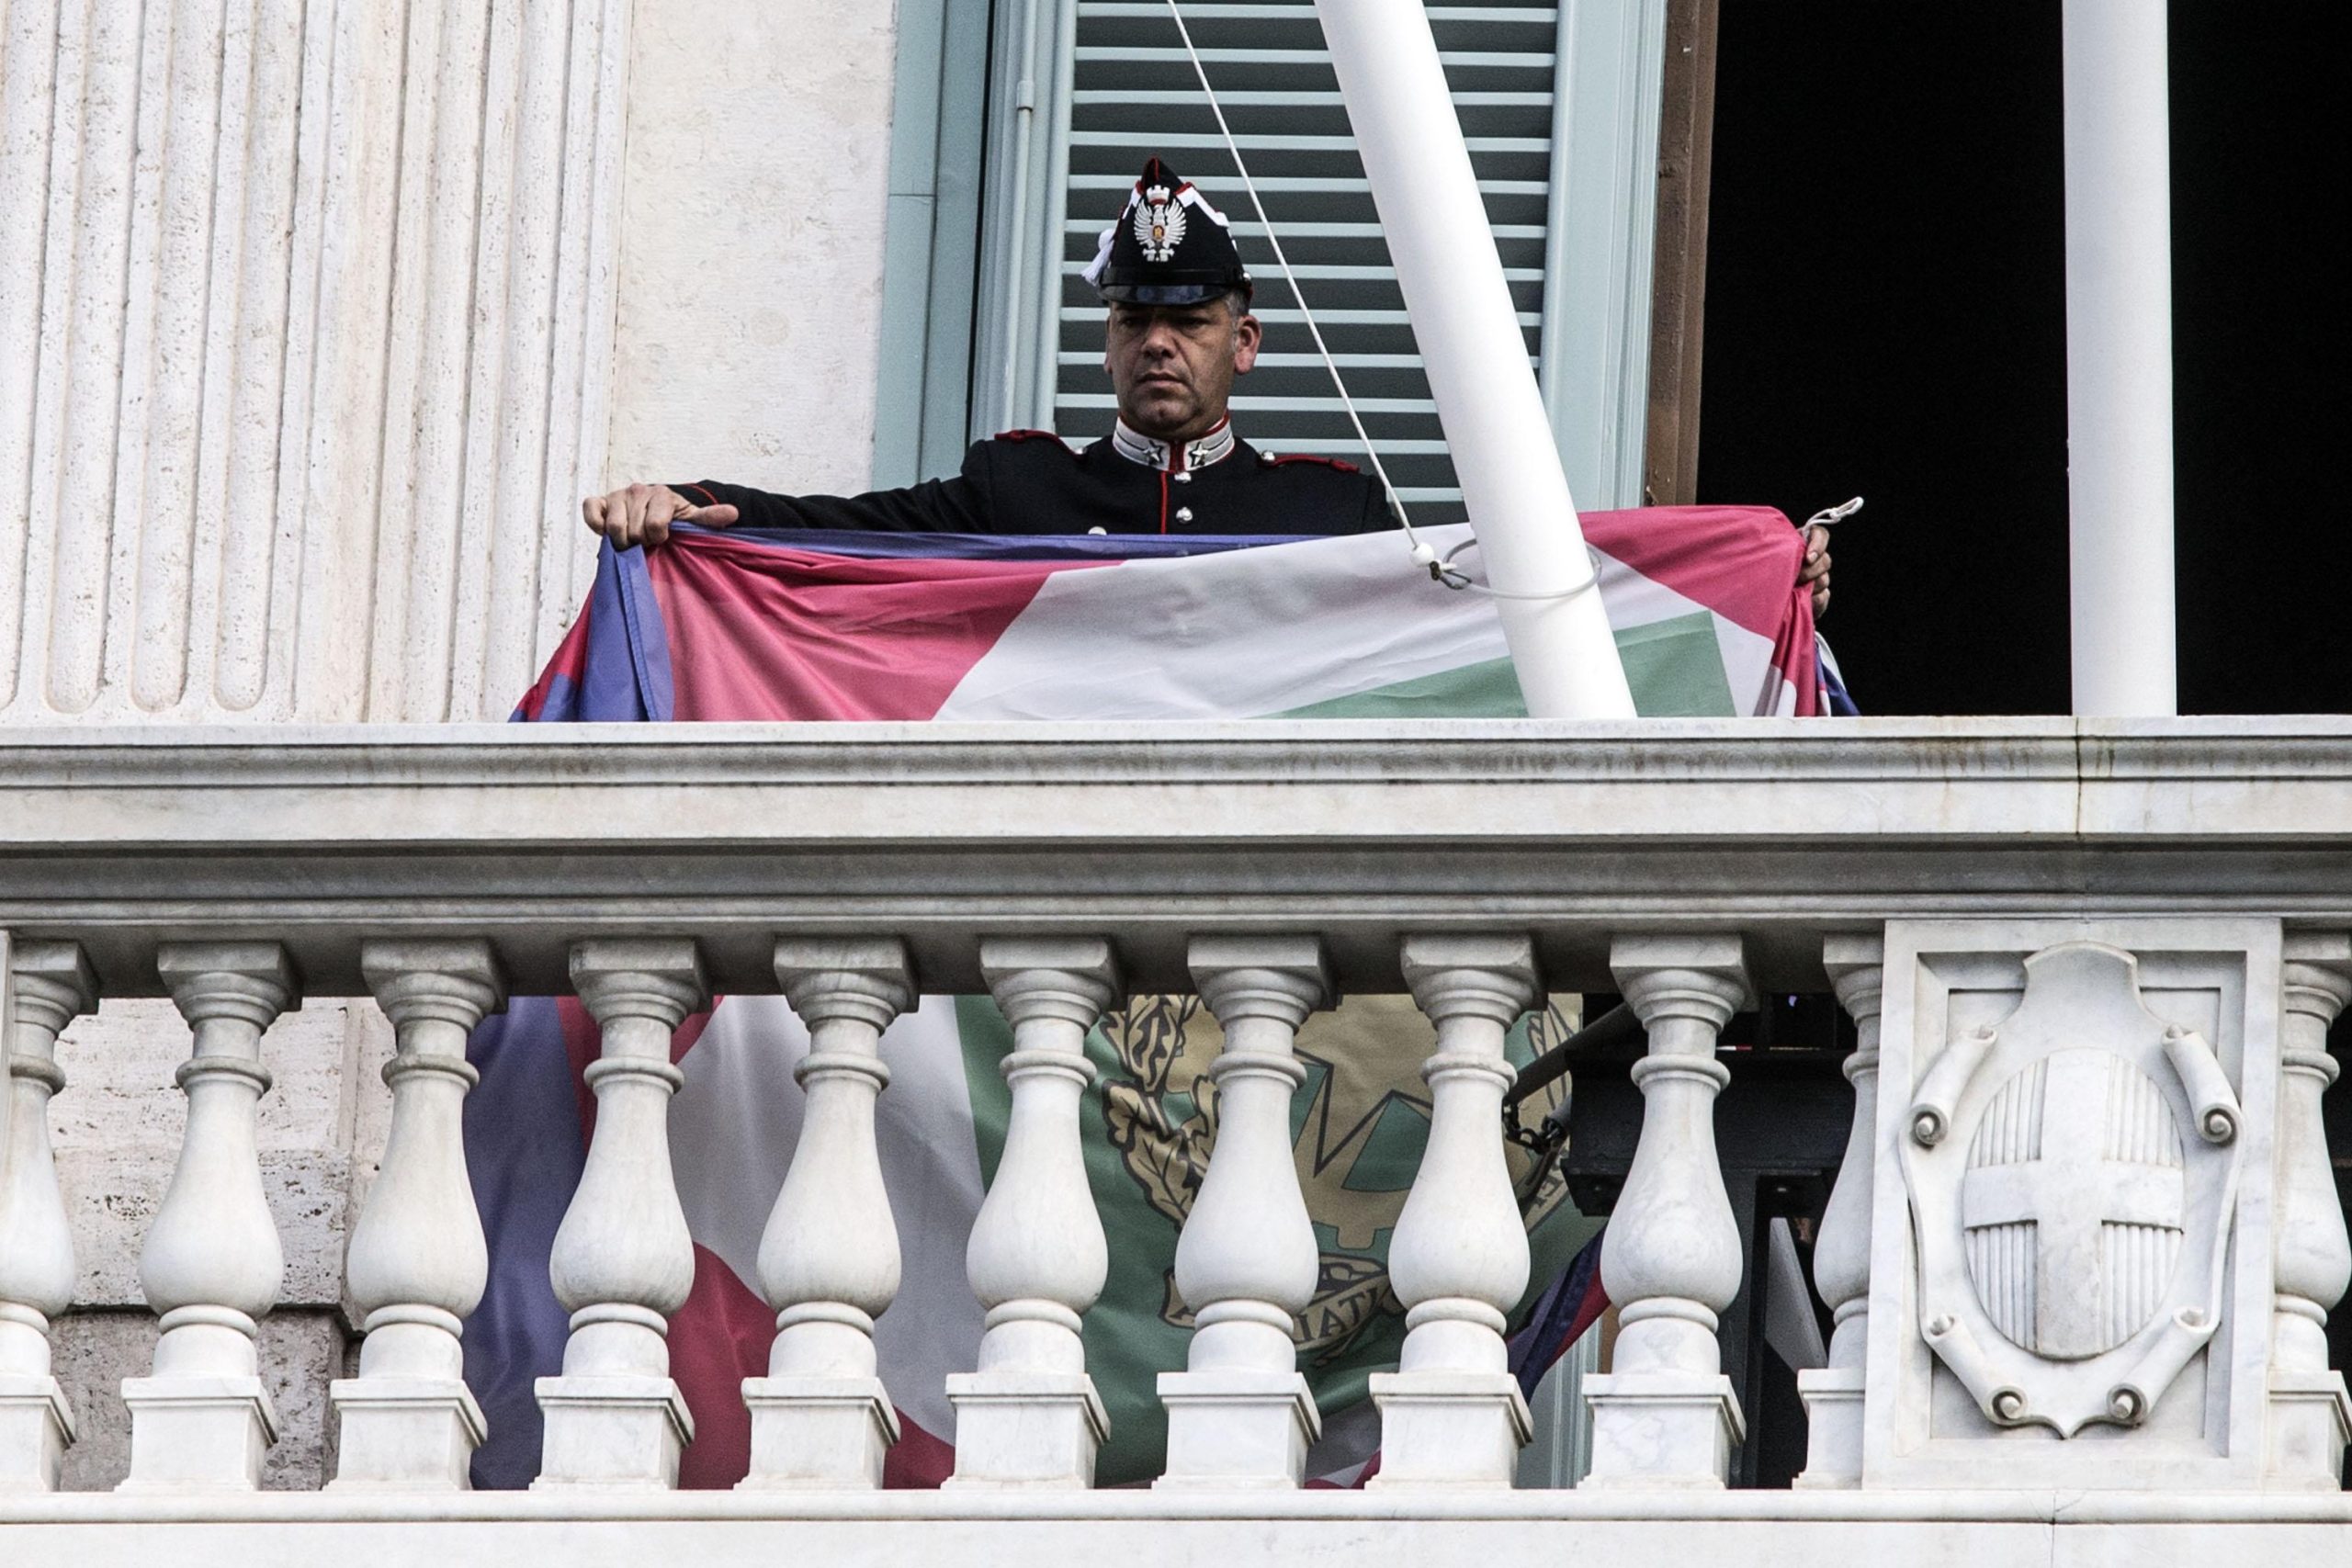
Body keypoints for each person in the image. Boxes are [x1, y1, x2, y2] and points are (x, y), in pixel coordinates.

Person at [585, 155, 1834, 613]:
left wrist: (1749, 570)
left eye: (1190, 321)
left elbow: (1521, 594)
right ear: (1112, 340)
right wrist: (690, 504)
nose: (1158, 344)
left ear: (1247, 342)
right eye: (1137, 320)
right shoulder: (1016, 482)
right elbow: (838, 539)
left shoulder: (1332, 509)